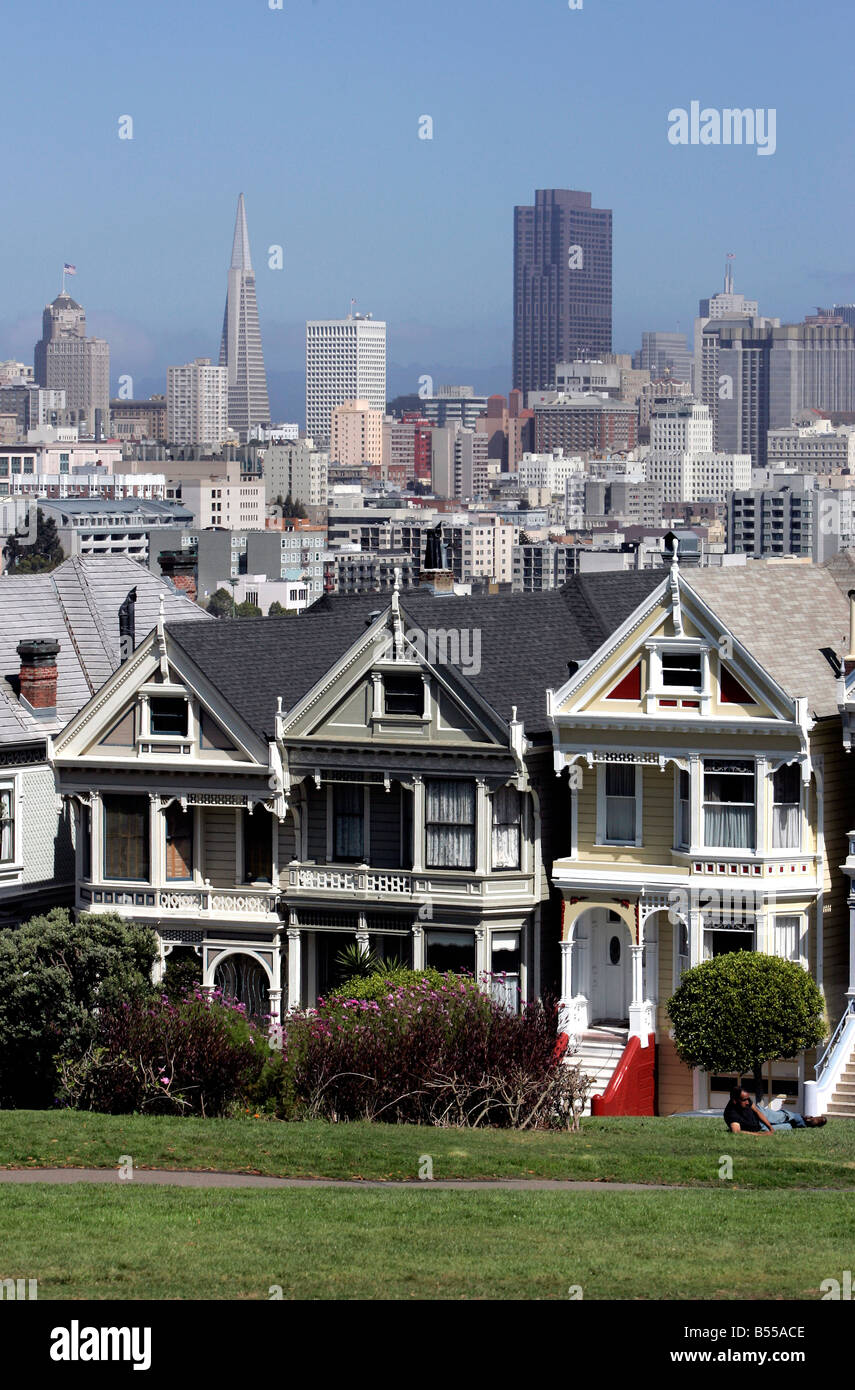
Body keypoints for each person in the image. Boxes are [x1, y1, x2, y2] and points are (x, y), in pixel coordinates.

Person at [723, 1086, 827, 1133]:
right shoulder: (731, 1114)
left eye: (747, 1099)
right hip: (759, 1128)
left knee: (785, 1116)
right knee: (788, 1126)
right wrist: (760, 1134)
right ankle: (806, 1124)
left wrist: (770, 1127)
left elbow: (757, 1112)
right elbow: (737, 1132)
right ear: (734, 1101)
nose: (747, 1102)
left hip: (763, 1114)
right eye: (744, 1100)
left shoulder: (745, 1099)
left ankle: (806, 1120)